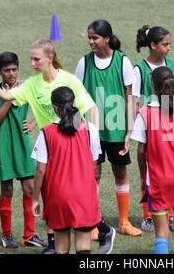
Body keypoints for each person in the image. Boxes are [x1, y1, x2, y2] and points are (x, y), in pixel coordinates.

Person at [0, 39, 108, 254]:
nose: (33, 63)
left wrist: (90, 137)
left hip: (70, 144)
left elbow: (91, 109)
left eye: (36, 59)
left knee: (72, 191)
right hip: (51, 143)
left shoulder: (69, 80)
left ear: (50, 57)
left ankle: (97, 227)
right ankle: (54, 241)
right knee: (53, 193)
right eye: (31, 59)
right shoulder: (32, 84)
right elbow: (5, 95)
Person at [74, 19, 142, 237]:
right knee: (93, 174)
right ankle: (93, 223)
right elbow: (75, 96)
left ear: (107, 38)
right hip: (92, 130)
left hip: (117, 129)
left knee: (120, 171)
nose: (91, 42)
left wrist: (129, 132)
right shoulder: (84, 63)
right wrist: (77, 127)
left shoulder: (122, 62)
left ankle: (123, 221)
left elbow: (130, 98)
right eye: (89, 37)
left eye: (95, 38)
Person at [131, 67, 174, 254]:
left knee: (161, 234)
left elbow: (140, 151)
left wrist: (142, 177)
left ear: (153, 87)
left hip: (157, 180)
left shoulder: (145, 113)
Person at [32, 87, 104, 254]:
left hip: (58, 197)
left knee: (61, 248)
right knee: (83, 247)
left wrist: (35, 199)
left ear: (55, 108)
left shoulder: (46, 132)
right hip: (84, 196)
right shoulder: (90, 129)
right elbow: (94, 164)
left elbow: (40, 171)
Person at [0, 52, 46, 249]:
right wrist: (9, 99)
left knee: (29, 188)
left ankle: (29, 234)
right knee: (7, 189)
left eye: (14, 69)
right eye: (6, 70)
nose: (11, 73)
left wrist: (34, 122)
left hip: (22, 145)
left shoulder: (26, 88)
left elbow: (44, 106)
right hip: (2, 146)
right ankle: (7, 234)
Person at [133, 25, 174, 232]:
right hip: (149, 125)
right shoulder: (140, 69)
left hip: (170, 124)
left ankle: (169, 214)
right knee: (148, 171)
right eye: (164, 44)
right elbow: (135, 100)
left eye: (169, 44)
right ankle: (147, 214)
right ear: (152, 45)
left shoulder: (173, 64)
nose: (168, 48)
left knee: (168, 169)